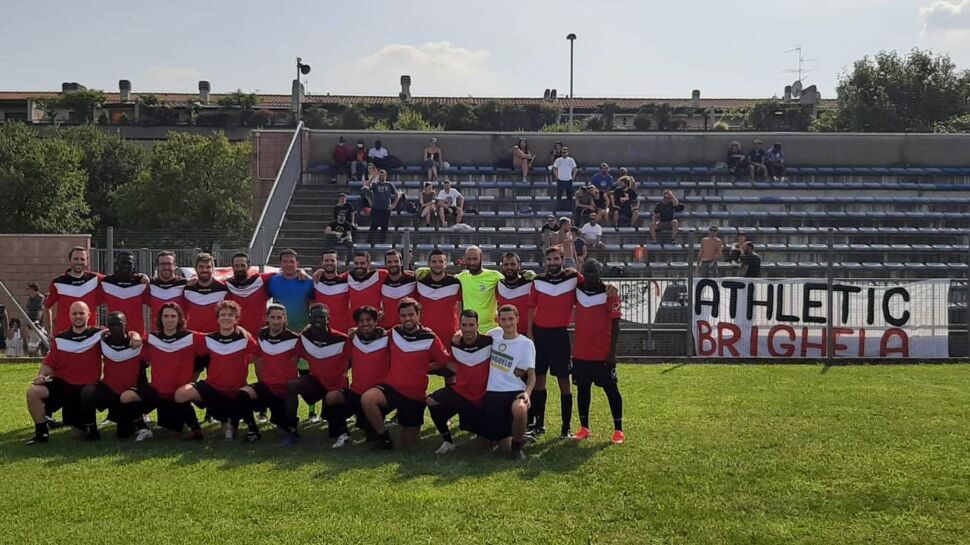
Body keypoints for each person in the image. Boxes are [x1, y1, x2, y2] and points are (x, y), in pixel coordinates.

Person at [361, 298, 450, 450]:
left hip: (414, 395)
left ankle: (408, 427)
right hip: (392, 389)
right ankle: (384, 438)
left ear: (418, 315)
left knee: (409, 445)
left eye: (411, 315)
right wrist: (355, 331)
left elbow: (443, 361)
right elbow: (373, 334)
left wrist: (423, 368)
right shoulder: (394, 332)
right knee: (367, 399)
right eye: (403, 315)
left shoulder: (430, 337)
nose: (407, 318)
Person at [120, 302, 206, 441]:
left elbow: (217, 338)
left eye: (173, 316)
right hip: (157, 392)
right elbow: (135, 340)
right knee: (126, 397)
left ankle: (195, 428)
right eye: (166, 316)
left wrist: (239, 329)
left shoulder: (192, 337)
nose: (169, 319)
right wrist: (134, 334)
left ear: (179, 319)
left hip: (179, 394)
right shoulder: (152, 338)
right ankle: (143, 429)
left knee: (175, 432)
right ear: (160, 319)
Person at [174, 300, 258, 442]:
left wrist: (246, 332)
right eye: (222, 314)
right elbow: (182, 337)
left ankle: (234, 421)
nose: (226, 317)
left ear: (236, 318)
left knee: (228, 434)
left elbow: (260, 353)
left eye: (230, 315)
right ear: (217, 318)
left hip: (236, 391)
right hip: (213, 389)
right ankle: (195, 430)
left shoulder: (245, 338)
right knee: (181, 394)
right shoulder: (208, 339)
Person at [26, 302, 103, 444]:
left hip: (84, 390)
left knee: (78, 435)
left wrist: (133, 335)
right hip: (63, 385)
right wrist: (41, 376)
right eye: (75, 313)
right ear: (69, 316)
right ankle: (41, 433)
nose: (78, 316)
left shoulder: (98, 335)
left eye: (81, 313)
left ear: (89, 315)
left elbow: (121, 332)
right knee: (33, 392)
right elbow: (50, 363)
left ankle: (88, 426)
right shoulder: (61, 338)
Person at [527, 246, 580, 439]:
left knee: (563, 381)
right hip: (540, 336)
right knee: (539, 380)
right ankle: (539, 425)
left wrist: (610, 287)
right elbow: (531, 307)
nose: (552, 263)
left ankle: (566, 427)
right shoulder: (538, 281)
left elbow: (592, 284)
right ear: (545, 261)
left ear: (562, 259)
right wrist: (530, 332)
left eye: (556, 259)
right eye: (549, 260)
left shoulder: (573, 278)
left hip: (559, 335)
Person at [571, 260, 625, 444]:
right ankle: (584, 427)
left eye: (594, 272)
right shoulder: (577, 289)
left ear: (600, 272)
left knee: (611, 390)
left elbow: (616, 324)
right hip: (580, 353)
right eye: (587, 272)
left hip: (602, 354)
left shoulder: (609, 293)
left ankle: (618, 430)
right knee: (583, 390)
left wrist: (612, 352)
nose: (591, 275)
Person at [283, 303, 350, 447]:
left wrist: (343, 373)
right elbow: (293, 358)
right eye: (314, 317)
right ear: (309, 319)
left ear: (328, 319)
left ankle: (340, 424)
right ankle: (292, 429)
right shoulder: (305, 337)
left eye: (322, 316)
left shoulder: (342, 339)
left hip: (336, 386)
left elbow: (355, 359)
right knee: (291, 385)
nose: (318, 320)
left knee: (334, 433)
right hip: (316, 383)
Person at [427, 309, 492, 454]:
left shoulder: (489, 342)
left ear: (477, 325)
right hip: (461, 392)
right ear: (459, 326)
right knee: (431, 400)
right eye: (464, 325)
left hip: (484, 395)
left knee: (483, 447)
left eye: (471, 325)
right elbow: (447, 362)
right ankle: (448, 441)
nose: (467, 329)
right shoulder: (456, 343)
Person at [324, 306, 389, 443]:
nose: (365, 323)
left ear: (376, 321)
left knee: (371, 438)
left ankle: (380, 433)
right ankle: (343, 433)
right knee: (332, 397)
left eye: (369, 319)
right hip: (356, 392)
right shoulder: (352, 340)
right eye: (361, 321)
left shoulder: (388, 338)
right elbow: (344, 362)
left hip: (376, 396)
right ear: (356, 323)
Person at [266, 249, 317, 420]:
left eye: (292, 261)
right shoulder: (272, 281)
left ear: (297, 264)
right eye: (285, 261)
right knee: (282, 376)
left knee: (306, 374)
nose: (288, 264)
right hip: (281, 336)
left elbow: (313, 304)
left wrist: (309, 328)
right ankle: (275, 412)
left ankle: (312, 411)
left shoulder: (307, 282)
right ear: (280, 264)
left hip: (302, 334)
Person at [79, 311, 143, 440]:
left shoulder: (136, 343)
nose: (115, 327)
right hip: (108, 390)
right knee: (88, 391)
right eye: (112, 324)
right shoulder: (103, 342)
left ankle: (136, 423)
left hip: (126, 395)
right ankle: (92, 430)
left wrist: (135, 335)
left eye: (118, 324)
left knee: (123, 435)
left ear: (125, 324)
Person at [483, 305, 536, 460]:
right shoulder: (493, 335)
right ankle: (516, 437)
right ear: (498, 320)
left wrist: (527, 393)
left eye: (511, 319)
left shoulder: (526, 344)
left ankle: (518, 447)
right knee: (498, 447)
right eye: (504, 319)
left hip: (514, 391)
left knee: (520, 409)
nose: (508, 323)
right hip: (493, 393)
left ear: (518, 319)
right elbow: (474, 339)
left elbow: (532, 375)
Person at [238, 304, 299, 440]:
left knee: (283, 433)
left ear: (285, 319)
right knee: (242, 394)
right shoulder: (261, 336)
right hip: (266, 388)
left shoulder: (295, 339)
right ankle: (253, 430)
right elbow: (256, 356)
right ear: (267, 318)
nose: (276, 321)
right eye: (273, 317)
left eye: (279, 317)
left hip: (284, 391)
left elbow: (295, 363)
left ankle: (290, 422)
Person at [45, 246, 102, 334]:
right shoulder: (58, 282)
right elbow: (47, 306)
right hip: (64, 337)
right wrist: (50, 332)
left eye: (82, 259)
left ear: (87, 261)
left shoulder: (96, 279)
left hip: (89, 338)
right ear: (70, 260)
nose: (79, 262)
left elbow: (116, 284)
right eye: (75, 259)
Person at [415, 249, 462, 350]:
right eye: (434, 261)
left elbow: (466, 305)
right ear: (428, 263)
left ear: (446, 264)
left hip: (450, 336)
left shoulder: (456, 282)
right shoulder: (420, 282)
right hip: (426, 335)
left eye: (441, 261)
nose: (437, 264)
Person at [99, 251, 150, 336]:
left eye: (129, 263)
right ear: (117, 264)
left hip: (137, 337)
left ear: (134, 265)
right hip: (114, 336)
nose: (125, 265)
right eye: (122, 262)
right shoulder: (106, 282)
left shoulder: (141, 283)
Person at [224, 252, 273, 337]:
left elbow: (286, 273)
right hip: (236, 336)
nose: (239, 269)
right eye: (236, 266)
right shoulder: (225, 285)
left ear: (249, 266)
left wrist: (300, 271)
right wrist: (194, 279)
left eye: (243, 265)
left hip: (260, 336)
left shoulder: (261, 280)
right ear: (232, 267)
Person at [182, 252, 228, 334]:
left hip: (216, 337)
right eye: (201, 267)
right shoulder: (187, 288)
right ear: (195, 268)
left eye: (208, 267)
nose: (205, 270)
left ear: (213, 269)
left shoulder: (224, 288)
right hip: (193, 337)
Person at [312, 250, 351, 334]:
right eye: (326, 260)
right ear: (321, 263)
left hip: (342, 330)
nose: (329, 263)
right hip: (320, 329)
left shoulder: (347, 280)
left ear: (338, 262)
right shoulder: (315, 281)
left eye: (332, 260)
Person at [146, 251, 187, 330]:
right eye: (162, 264)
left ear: (174, 266)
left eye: (169, 264)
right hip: (157, 335)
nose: (166, 267)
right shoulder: (150, 284)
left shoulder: (185, 284)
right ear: (157, 266)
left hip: (180, 335)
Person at [496, 253, 533, 336]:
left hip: (527, 333)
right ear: (502, 266)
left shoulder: (530, 283)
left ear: (519, 266)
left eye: (512, 264)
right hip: (505, 334)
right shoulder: (498, 284)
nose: (509, 267)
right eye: (506, 264)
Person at [380, 250, 416, 329]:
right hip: (387, 328)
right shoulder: (380, 280)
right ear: (385, 264)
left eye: (396, 261)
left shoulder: (413, 279)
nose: (393, 264)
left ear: (401, 262)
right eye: (389, 262)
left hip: (408, 327)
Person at [368, 169, 401, 244]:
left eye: (383, 175)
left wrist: (393, 205)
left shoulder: (389, 184)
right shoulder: (375, 184)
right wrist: (373, 177)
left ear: (386, 176)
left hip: (386, 209)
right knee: (373, 225)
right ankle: (369, 241)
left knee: (384, 226)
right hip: (376, 208)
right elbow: (367, 186)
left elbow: (398, 194)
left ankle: (382, 242)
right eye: (380, 175)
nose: (381, 176)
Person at [552, 146, 578, 210]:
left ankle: (569, 208)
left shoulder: (571, 160)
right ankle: (558, 208)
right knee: (559, 195)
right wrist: (556, 176)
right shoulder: (558, 160)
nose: (564, 153)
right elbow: (554, 168)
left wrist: (573, 177)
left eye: (565, 152)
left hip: (568, 179)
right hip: (560, 179)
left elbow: (575, 169)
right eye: (563, 152)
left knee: (569, 195)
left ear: (567, 152)